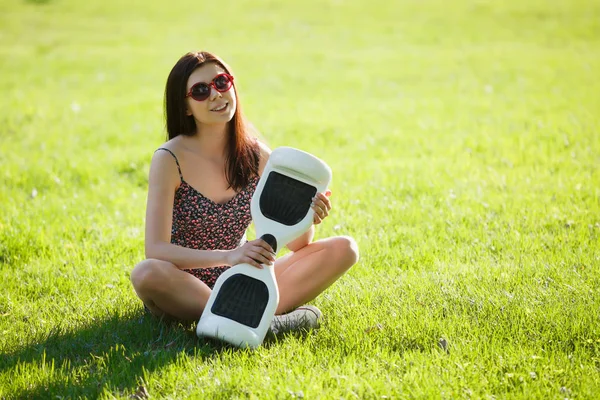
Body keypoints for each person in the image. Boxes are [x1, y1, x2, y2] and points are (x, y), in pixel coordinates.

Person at [130, 51, 359, 334]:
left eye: (222, 82)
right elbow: (156, 249)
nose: (216, 94)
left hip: (248, 274)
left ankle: (244, 319)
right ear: (186, 106)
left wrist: (307, 216)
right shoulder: (169, 158)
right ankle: (265, 323)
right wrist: (230, 256)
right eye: (201, 90)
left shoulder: (257, 155)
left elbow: (299, 245)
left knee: (345, 249)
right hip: (183, 283)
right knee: (146, 273)